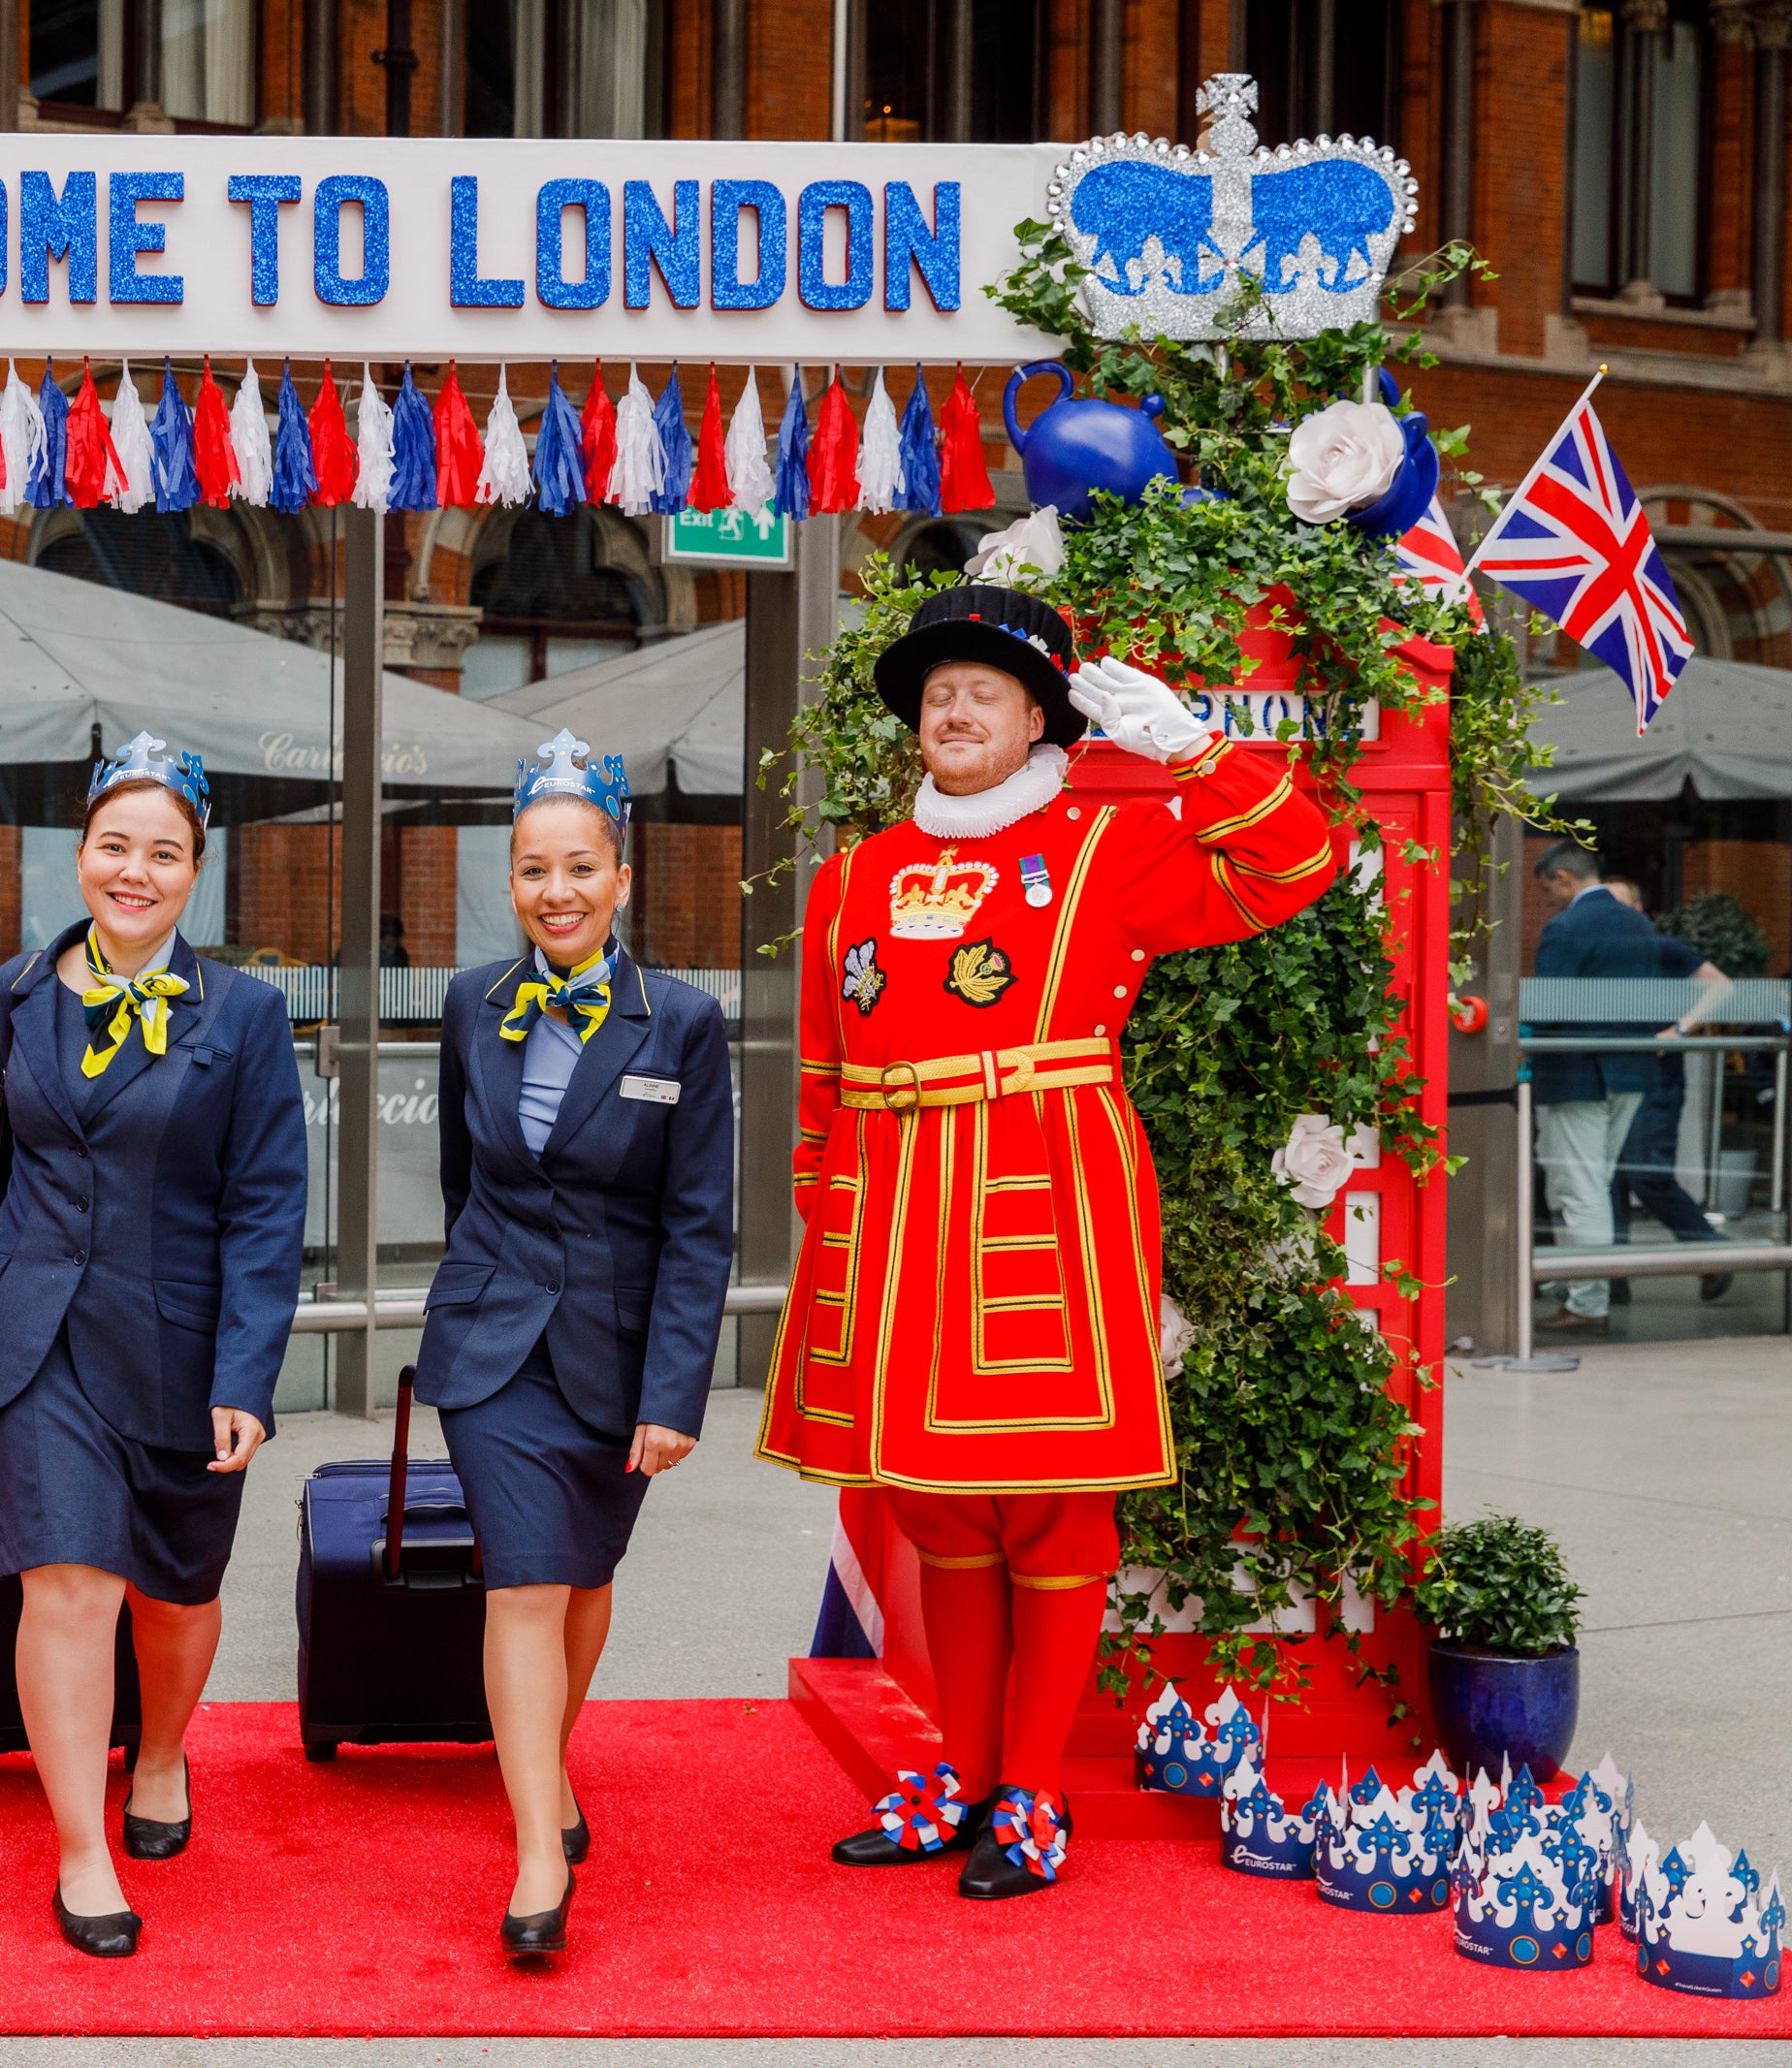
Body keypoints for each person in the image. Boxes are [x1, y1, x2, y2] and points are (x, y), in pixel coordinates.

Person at [756, 586, 1338, 1899]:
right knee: (939, 1507)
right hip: (891, 1211)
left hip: (1042, 1196)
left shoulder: (1101, 845)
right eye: (936, 692)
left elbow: (1292, 863)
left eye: (986, 690)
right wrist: (822, 1192)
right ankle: (956, 1778)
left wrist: (1197, 752)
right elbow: (824, 1072)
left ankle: (1030, 1790)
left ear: (1039, 718)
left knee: (1055, 1506)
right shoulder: (854, 873)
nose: (954, 709)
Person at [0, 735, 305, 1959]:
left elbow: (265, 1205)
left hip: (181, 1346)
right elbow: (16, 1161)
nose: (132, 872)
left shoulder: (242, 1014)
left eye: (163, 853)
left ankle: (165, 1751)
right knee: (67, 1584)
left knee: (177, 1594)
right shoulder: (16, 992)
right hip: (37, 1338)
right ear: (79, 854)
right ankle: (82, 1850)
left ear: (197, 870)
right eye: (112, 846)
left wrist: (245, 1372)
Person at [416, 727, 735, 1955]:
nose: (554, 891)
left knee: (586, 1579)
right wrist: (477, 1288)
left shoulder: (681, 1024)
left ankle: (542, 1765)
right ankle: (538, 1850)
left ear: (619, 878)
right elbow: (464, 1182)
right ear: (511, 882)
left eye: (576, 868)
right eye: (532, 870)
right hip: (492, 1350)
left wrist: (675, 1393)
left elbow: (697, 1228)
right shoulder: (468, 1004)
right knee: (524, 1579)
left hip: (616, 1358)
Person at [1524, 843, 1730, 1332]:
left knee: (1582, 1191)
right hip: (1633, 1073)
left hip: (1578, 1073)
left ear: (1562, 878)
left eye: (1547, 887)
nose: (1548, 898)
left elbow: (1544, 1008)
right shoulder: (1639, 924)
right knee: (1596, 1184)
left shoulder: (1566, 927)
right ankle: (1588, 1293)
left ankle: (1588, 1302)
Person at [1596, 877, 1732, 1303]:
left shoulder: (1662, 947)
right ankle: (1611, 1282)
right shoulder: (1606, 955)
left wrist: (1677, 1031)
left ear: (1638, 907)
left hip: (1656, 1079)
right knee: (1612, 1177)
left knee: (1645, 1173)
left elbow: (1721, 987)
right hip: (1613, 1076)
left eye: (1618, 904)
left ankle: (1712, 1253)